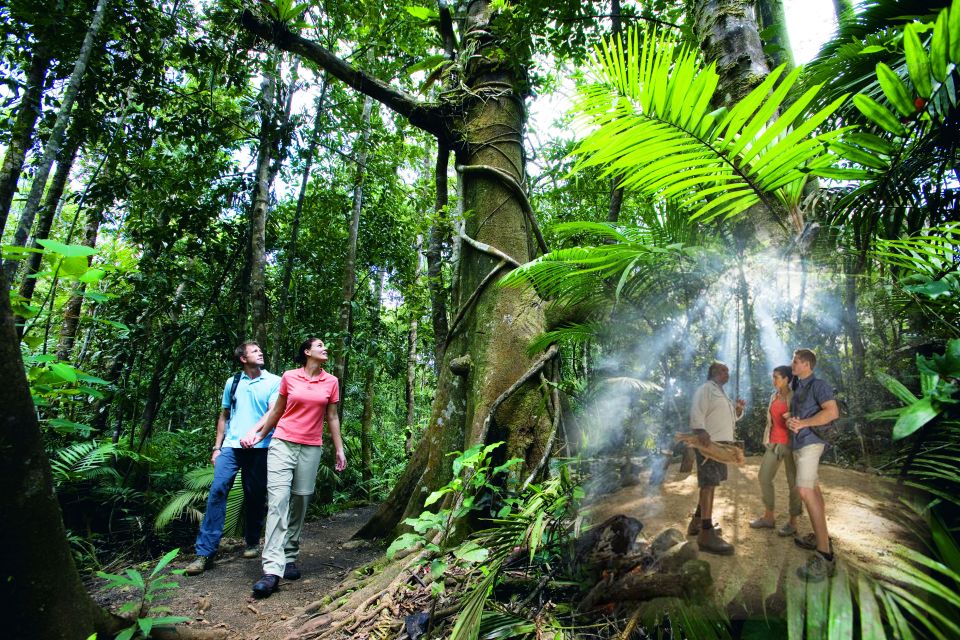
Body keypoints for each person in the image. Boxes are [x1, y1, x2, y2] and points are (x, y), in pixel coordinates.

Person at [240, 337, 346, 598]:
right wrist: (259, 434)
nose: (325, 349)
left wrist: (340, 449)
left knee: (300, 500)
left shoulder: (331, 382)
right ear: (307, 352)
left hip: (311, 447)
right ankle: (272, 570)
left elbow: (331, 417)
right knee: (278, 501)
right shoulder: (289, 377)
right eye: (320, 345)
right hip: (282, 444)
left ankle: (289, 555)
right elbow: (277, 411)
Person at [185, 342, 281, 576]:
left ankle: (250, 541)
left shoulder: (274, 381)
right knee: (217, 491)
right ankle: (205, 552)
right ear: (243, 358)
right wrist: (217, 447)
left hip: (260, 446)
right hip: (231, 446)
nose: (260, 353)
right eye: (255, 351)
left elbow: (272, 412)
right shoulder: (233, 382)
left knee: (255, 495)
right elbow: (224, 415)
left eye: (261, 350)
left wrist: (256, 435)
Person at [787, 348, 840, 582]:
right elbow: (799, 417)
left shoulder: (819, 384)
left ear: (807, 364)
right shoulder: (798, 387)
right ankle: (822, 537)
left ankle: (825, 556)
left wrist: (804, 424)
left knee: (805, 491)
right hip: (800, 444)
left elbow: (832, 412)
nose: (792, 365)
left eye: (796, 361)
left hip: (811, 443)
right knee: (814, 489)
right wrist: (792, 421)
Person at [687, 361, 745, 555]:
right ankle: (705, 533)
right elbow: (697, 411)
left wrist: (737, 411)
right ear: (713, 372)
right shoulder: (706, 389)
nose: (727, 373)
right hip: (709, 444)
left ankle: (696, 522)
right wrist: (700, 430)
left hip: (721, 446)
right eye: (723, 370)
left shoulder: (721, 393)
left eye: (728, 370)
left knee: (712, 482)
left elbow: (730, 419)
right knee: (708, 484)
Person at [749, 365, 802, 537]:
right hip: (774, 443)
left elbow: (802, 419)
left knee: (793, 483)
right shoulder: (774, 396)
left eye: (777, 377)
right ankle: (769, 517)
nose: (774, 380)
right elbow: (771, 422)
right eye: (773, 377)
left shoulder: (795, 397)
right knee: (764, 477)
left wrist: (792, 415)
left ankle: (793, 522)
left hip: (791, 445)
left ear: (787, 379)